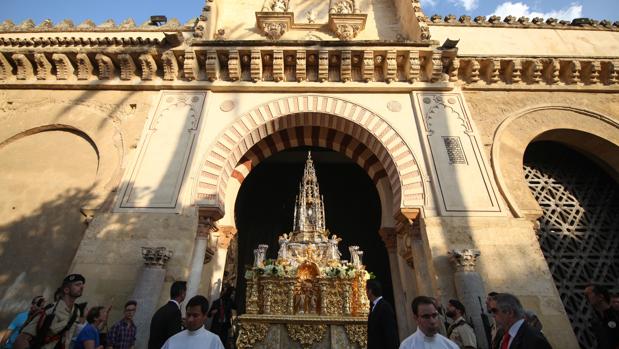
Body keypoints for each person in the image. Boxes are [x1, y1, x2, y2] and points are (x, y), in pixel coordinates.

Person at [14, 274, 85, 349]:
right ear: (66, 290)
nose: (82, 287)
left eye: (82, 285)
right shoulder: (50, 310)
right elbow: (21, 339)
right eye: (77, 284)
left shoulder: (76, 312)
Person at [147, 281, 186, 349]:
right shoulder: (175, 312)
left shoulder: (161, 310)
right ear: (182, 293)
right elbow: (174, 339)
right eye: (185, 292)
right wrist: (186, 327)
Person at [365, 280, 398, 349]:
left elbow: (390, 333)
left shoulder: (384, 307)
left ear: (370, 291)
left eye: (366, 290)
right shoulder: (375, 306)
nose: (365, 293)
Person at [585, 285, 619, 349]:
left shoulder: (616, 315)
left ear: (600, 296)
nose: (587, 297)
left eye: (589, 293)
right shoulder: (596, 322)